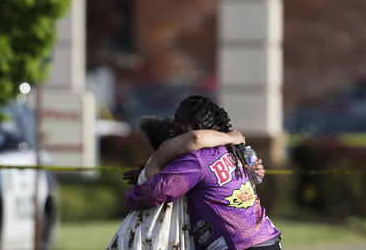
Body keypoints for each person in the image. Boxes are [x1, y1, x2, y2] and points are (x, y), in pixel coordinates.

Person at [125, 96, 282, 250]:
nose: (172, 124)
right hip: (269, 239)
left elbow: (158, 191)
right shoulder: (231, 149)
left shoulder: (198, 159)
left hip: (236, 244)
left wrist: (133, 194)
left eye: (179, 120)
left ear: (195, 127)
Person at [107, 115, 247, 250]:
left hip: (148, 239)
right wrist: (229, 137)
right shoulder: (167, 166)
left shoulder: (184, 172)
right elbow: (196, 138)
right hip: (149, 241)